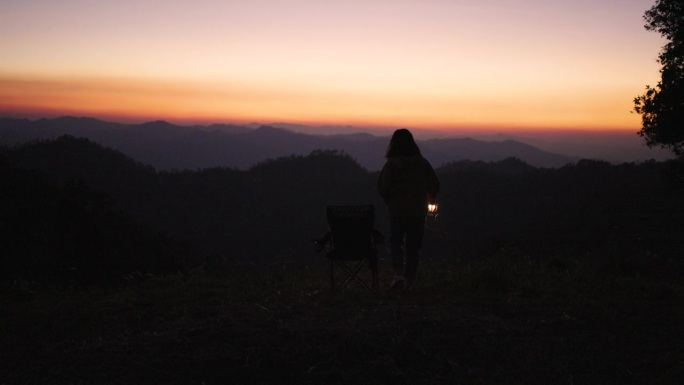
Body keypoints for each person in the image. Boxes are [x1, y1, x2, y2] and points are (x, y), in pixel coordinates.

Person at [377, 128, 439, 290]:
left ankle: (398, 274)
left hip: (397, 211)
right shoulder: (421, 163)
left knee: (396, 242)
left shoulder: (391, 165)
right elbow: (434, 184)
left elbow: (383, 187)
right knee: (414, 246)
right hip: (418, 211)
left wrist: (390, 201)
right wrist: (430, 197)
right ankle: (409, 280)